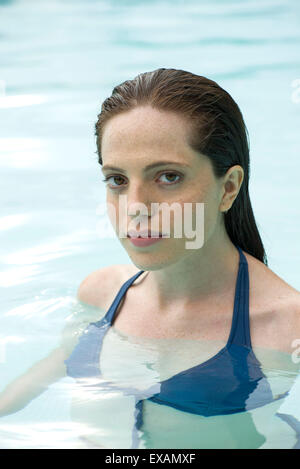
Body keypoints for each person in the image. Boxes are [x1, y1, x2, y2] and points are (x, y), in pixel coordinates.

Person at [1, 68, 299, 449]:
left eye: (168, 177)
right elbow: (38, 378)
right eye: (118, 180)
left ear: (228, 188)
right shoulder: (101, 294)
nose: (136, 209)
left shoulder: (287, 324)